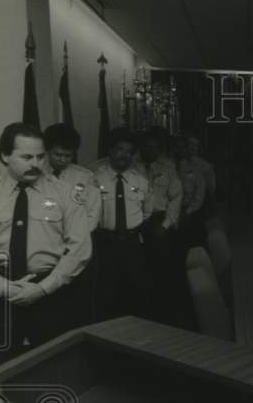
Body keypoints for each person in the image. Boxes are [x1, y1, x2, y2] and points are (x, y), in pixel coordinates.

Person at [0, 122, 91, 364]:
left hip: (52, 292)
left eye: (41, 156)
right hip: (0, 291)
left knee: (58, 368)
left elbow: (79, 249)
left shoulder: (65, 193)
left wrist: (42, 289)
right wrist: (2, 286)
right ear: (5, 156)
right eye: (26, 156)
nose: (36, 163)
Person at [90, 127, 153, 320]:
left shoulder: (141, 181)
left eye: (128, 151)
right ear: (110, 151)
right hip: (104, 242)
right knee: (105, 292)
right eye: (119, 149)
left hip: (132, 243)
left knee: (134, 291)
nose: (123, 155)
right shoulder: (94, 178)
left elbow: (147, 211)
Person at [43, 123, 101, 327]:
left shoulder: (85, 177)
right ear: (47, 150)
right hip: (47, 246)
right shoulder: (37, 174)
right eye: (57, 154)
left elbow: (92, 215)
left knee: (77, 303)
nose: (62, 160)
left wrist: (74, 240)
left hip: (77, 246)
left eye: (67, 156)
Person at [133, 131, 183, 322]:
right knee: (140, 268)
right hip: (136, 220)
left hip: (160, 220)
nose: (150, 150)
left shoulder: (168, 168)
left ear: (160, 150)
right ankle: (142, 312)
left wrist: (166, 224)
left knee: (162, 270)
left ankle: (162, 313)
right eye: (146, 146)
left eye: (154, 147)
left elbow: (175, 198)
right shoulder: (131, 167)